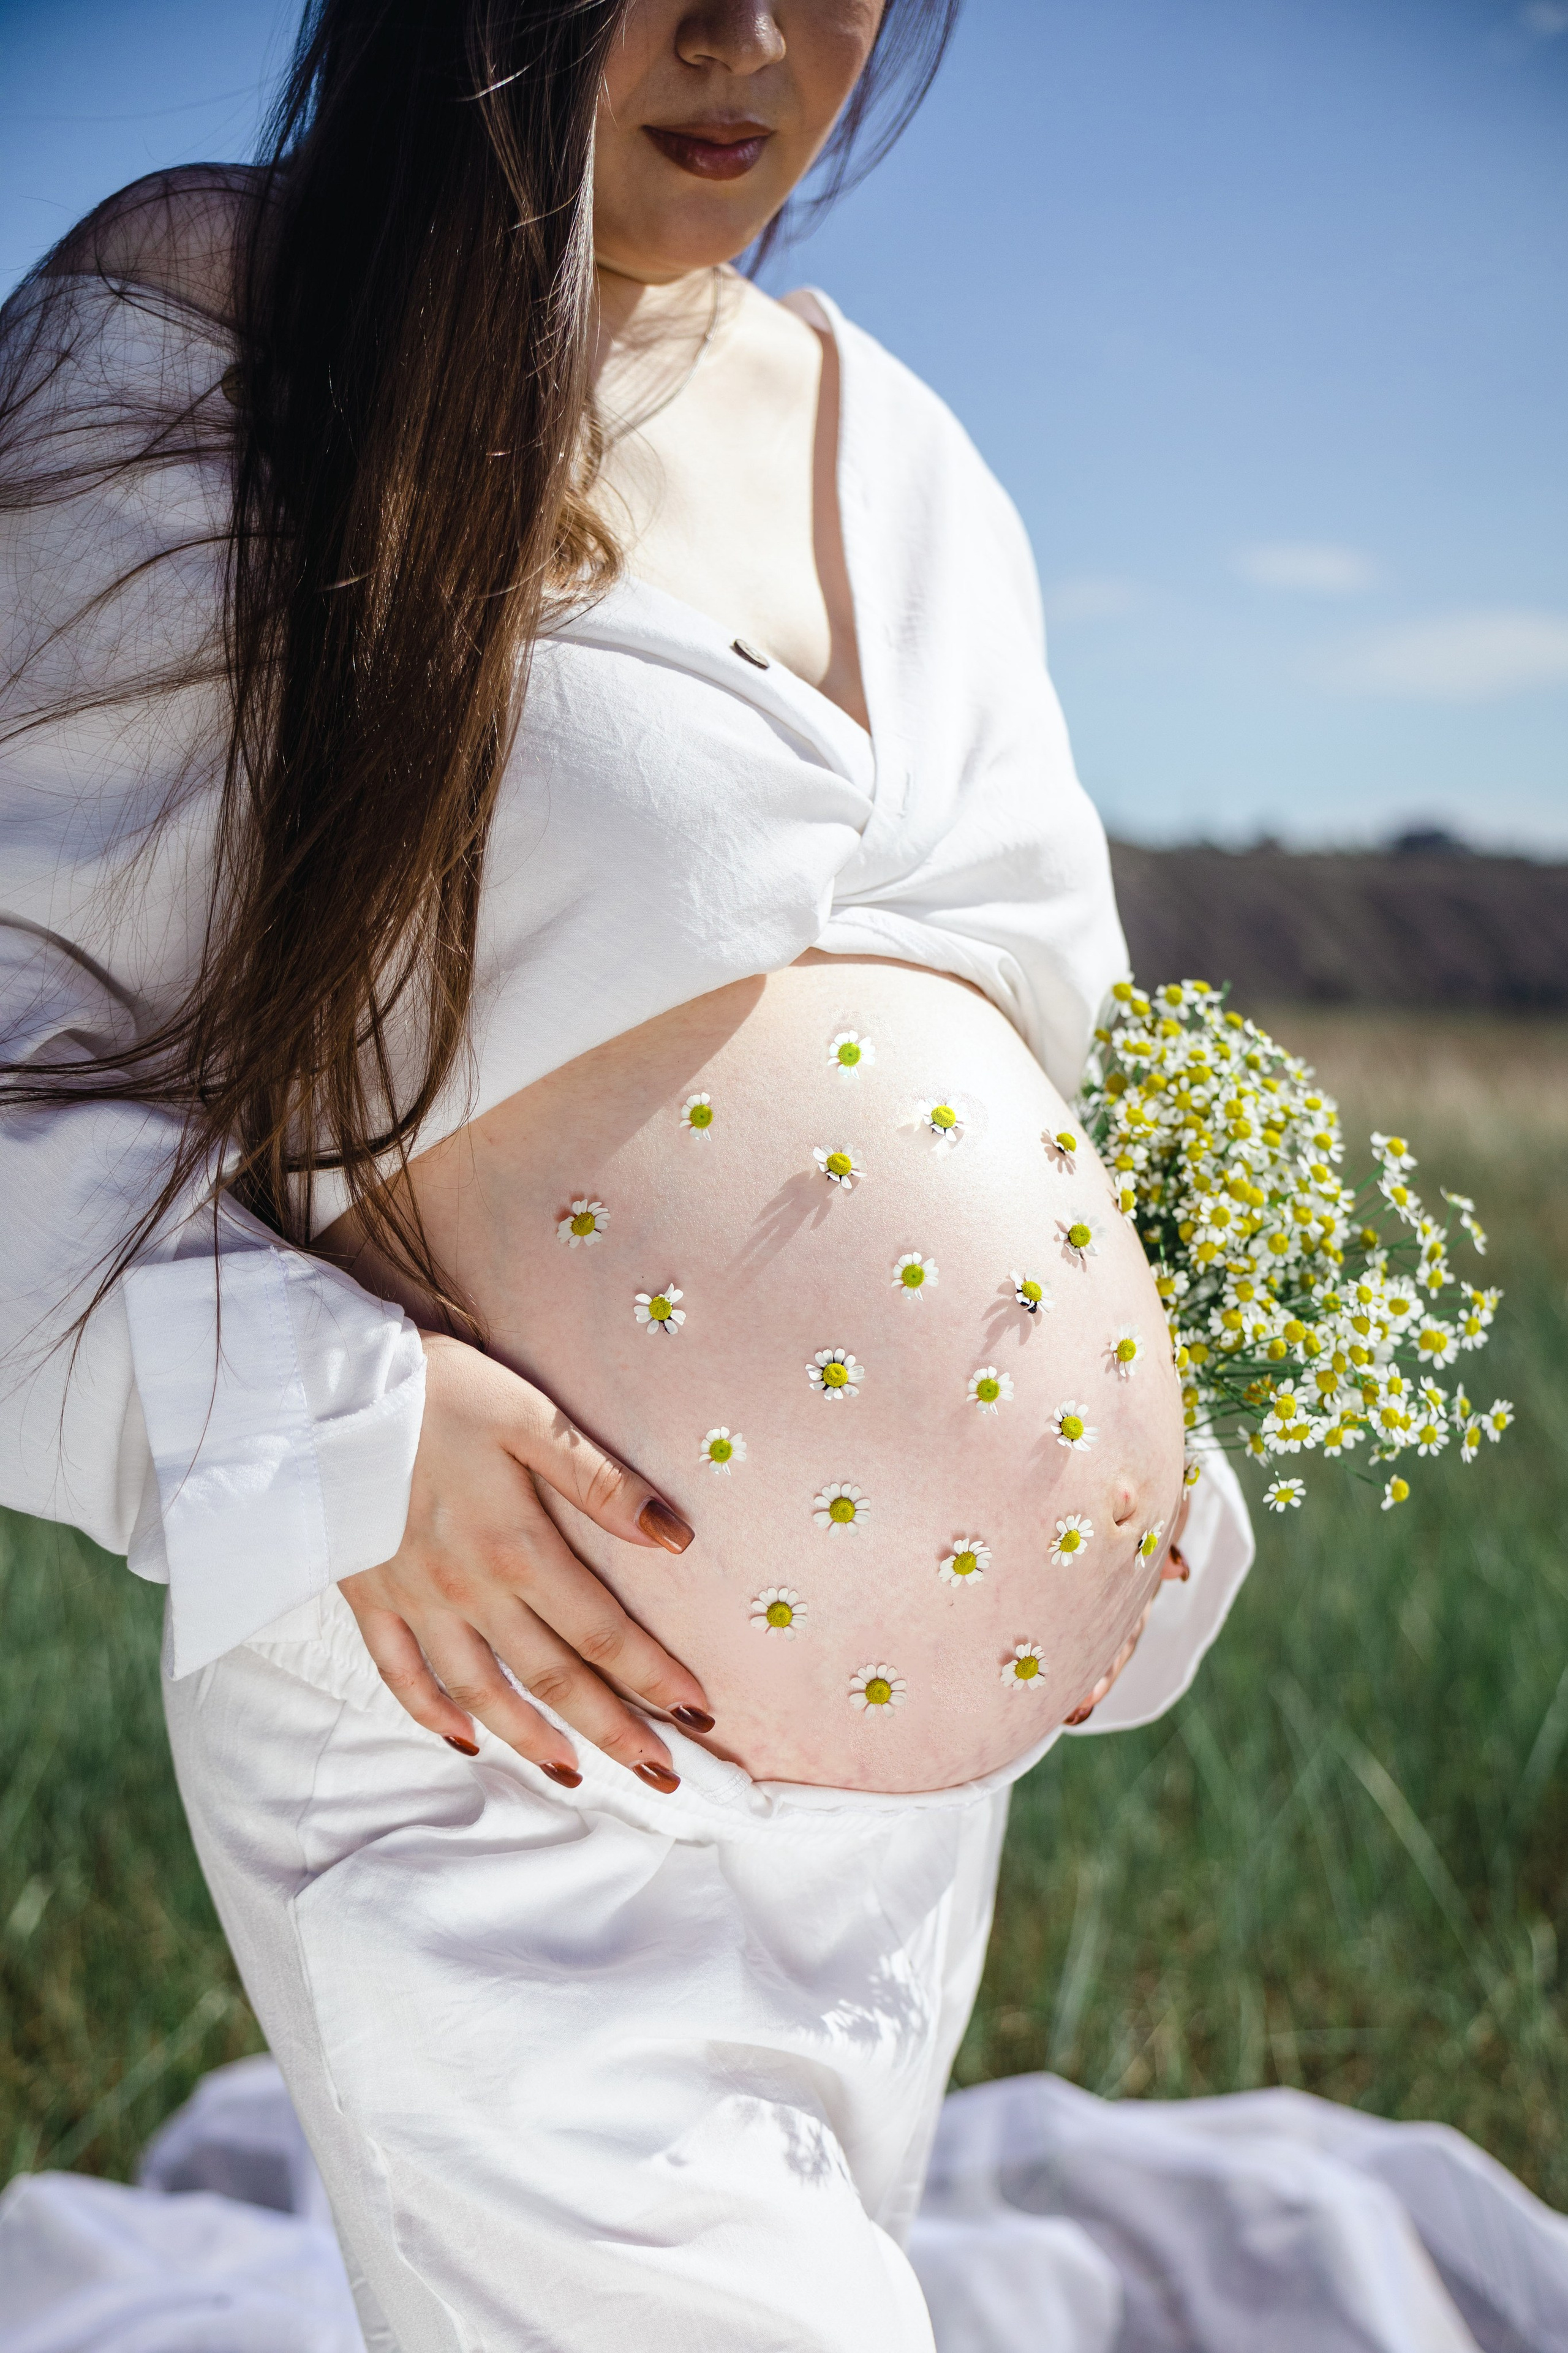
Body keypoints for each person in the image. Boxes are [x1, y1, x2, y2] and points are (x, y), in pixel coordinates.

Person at [0, 1, 1252, 2342]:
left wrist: (1107, 1478)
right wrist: (343, 1429)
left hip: (888, 1831)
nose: (745, 39)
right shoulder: (228, 332)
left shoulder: (906, 461)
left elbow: (1043, 1051)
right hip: (478, 1721)